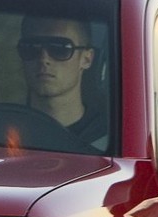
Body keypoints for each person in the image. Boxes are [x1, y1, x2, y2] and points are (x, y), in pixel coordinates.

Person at [16, 15, 104, 148]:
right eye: (31, 47)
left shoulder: (111, 139)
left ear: (87, 59)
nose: (43, 58)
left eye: (60, 48)